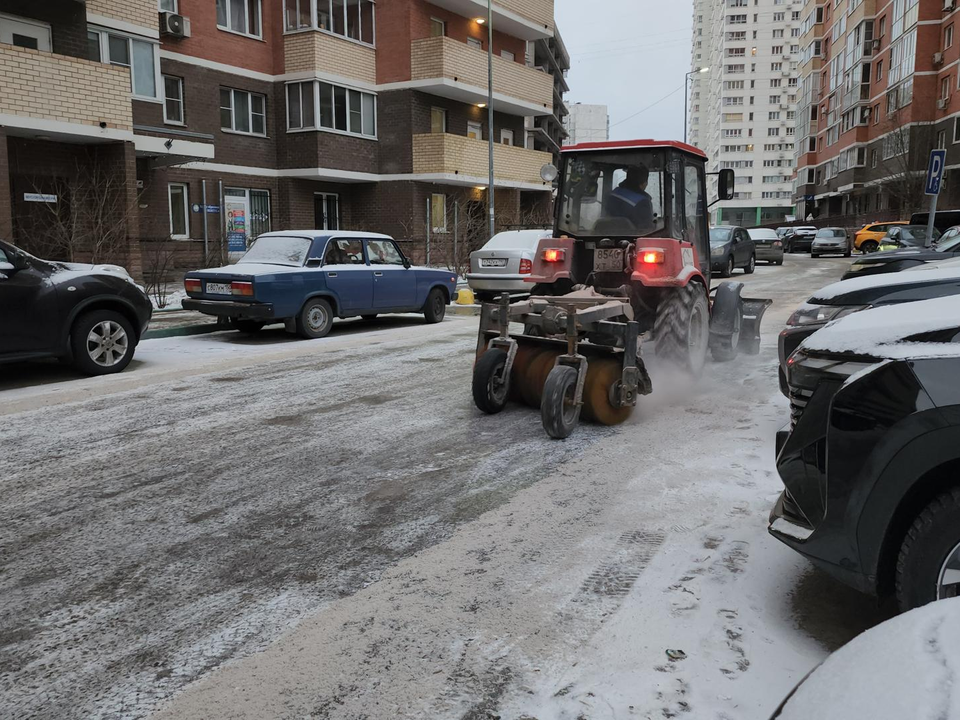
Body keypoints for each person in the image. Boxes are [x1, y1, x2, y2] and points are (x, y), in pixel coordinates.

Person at [605, 166, 654, 231]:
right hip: (631, 238)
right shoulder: (643, 202)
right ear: (644, 183)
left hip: (606, 234)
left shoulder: (612, 194)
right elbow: (647, 230)